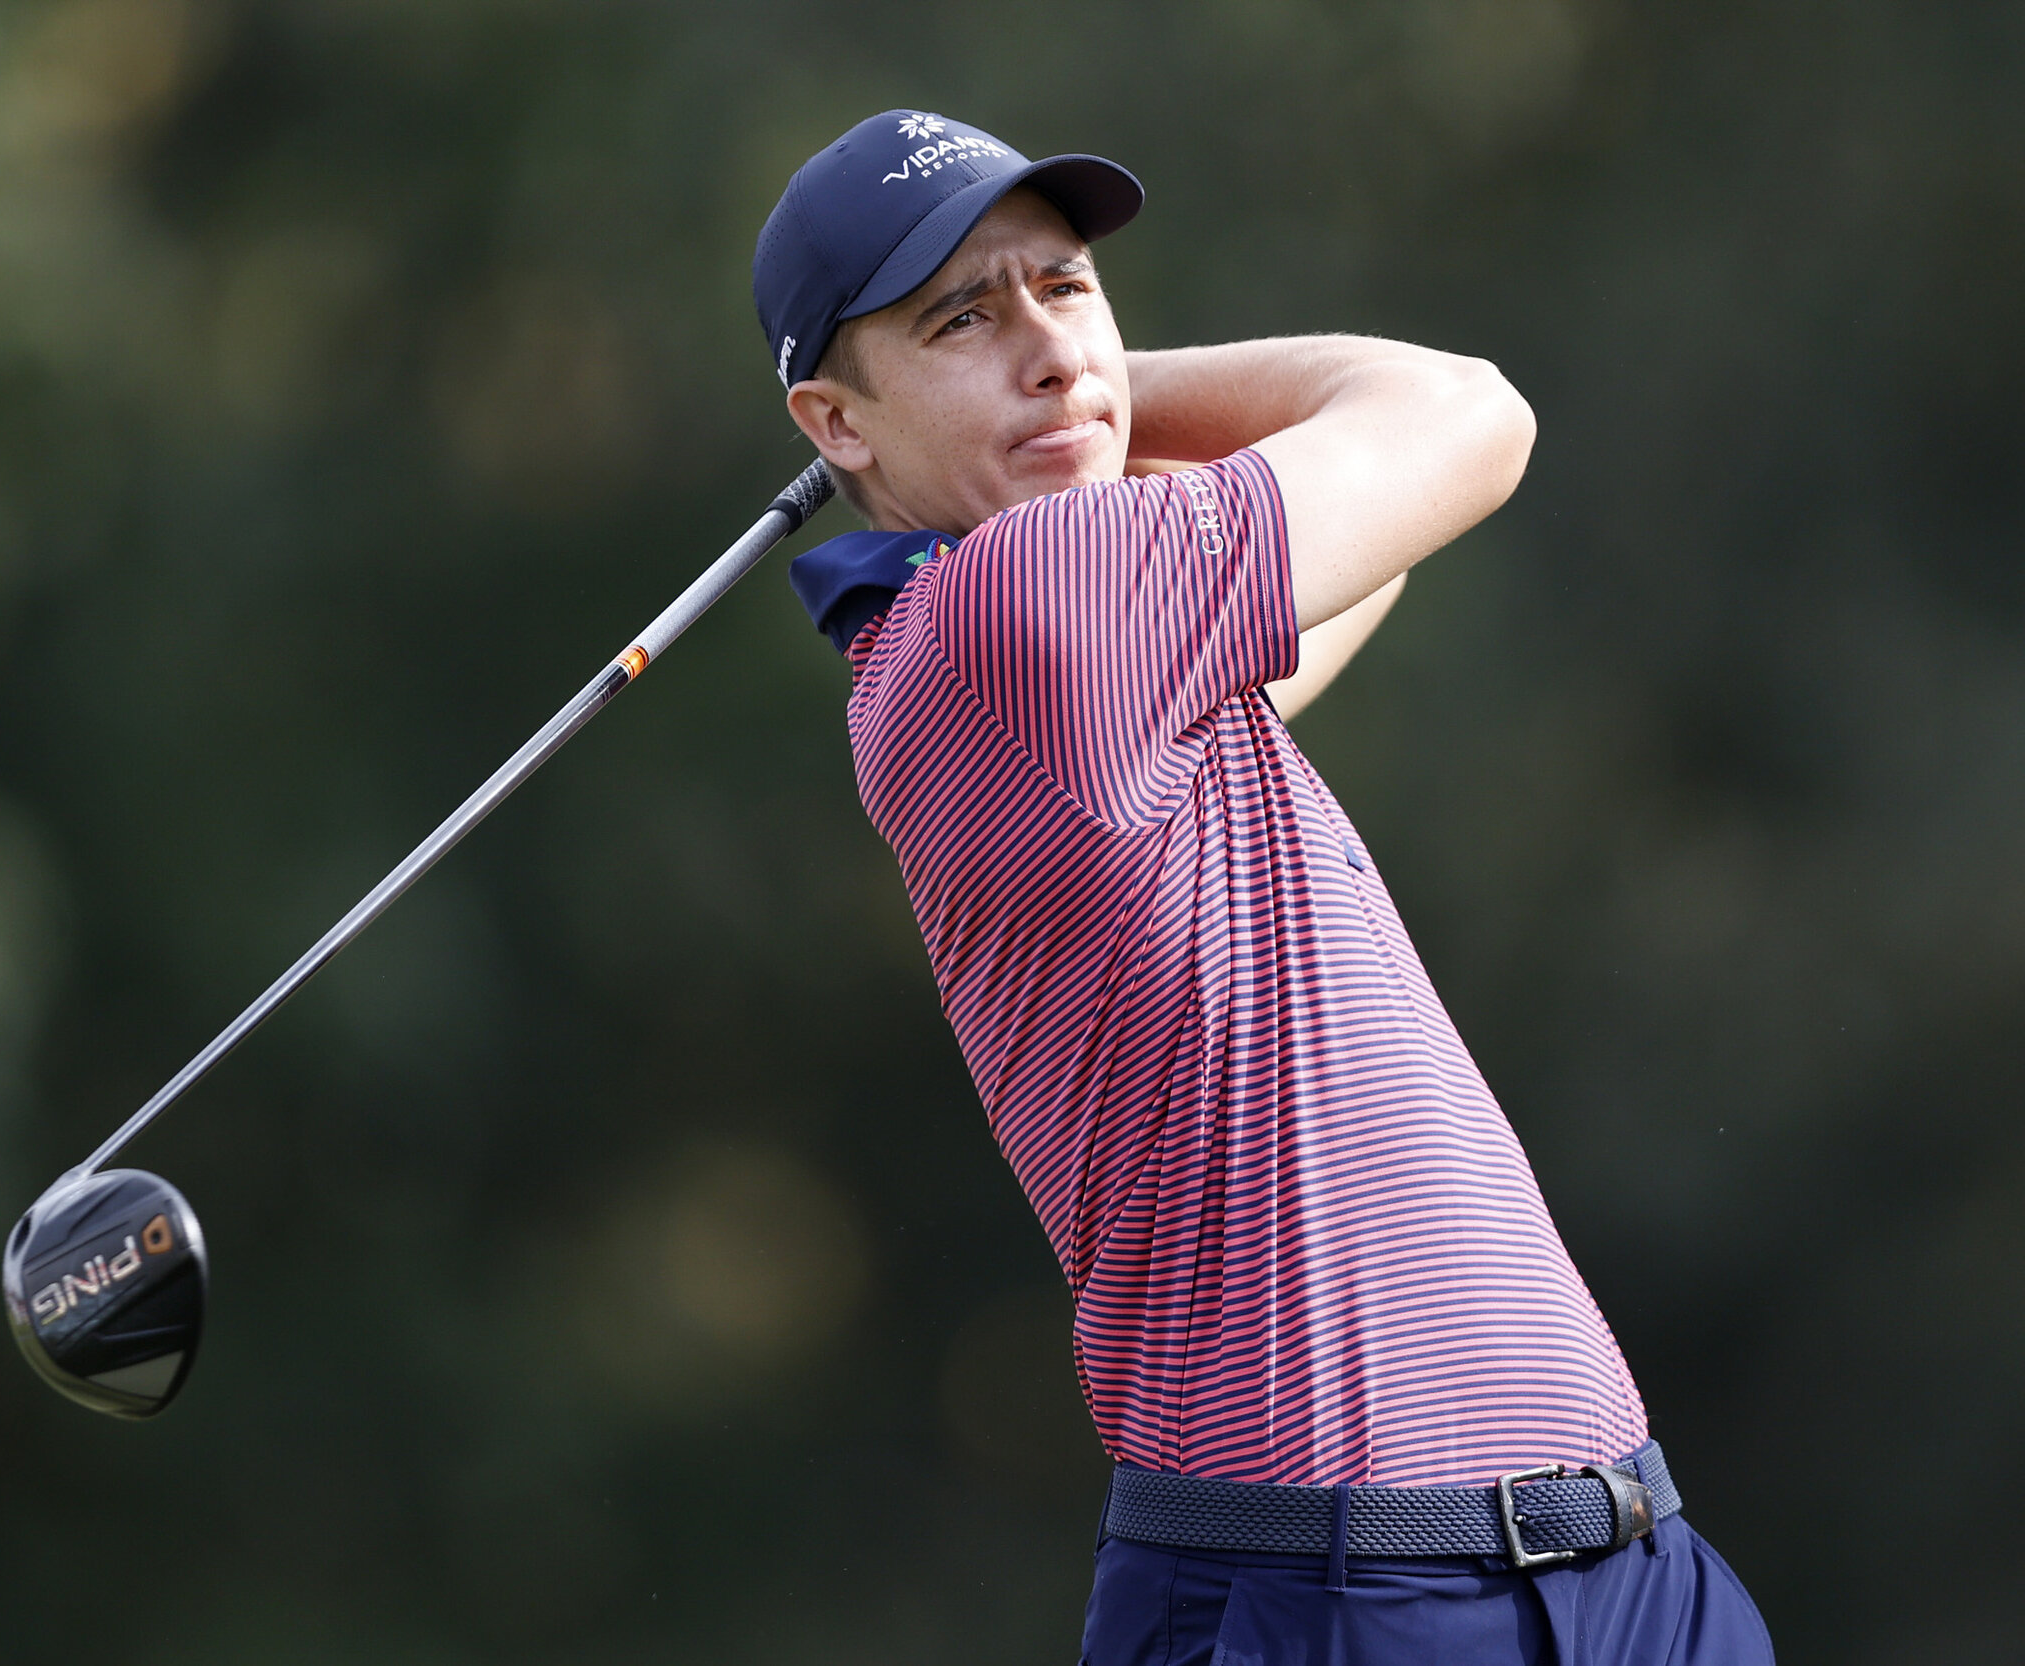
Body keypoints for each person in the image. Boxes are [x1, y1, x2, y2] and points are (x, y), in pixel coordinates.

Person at [755, 110, 1774, 1665]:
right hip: (1350, 1593)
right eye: (961, 315)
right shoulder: (1027, 611)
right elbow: (1463, 414)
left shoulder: (1059, 666)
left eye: (1068, 287)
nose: (1045, 343)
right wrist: (1112, 384)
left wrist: (1043, 388)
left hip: (1617, 1563)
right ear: (835, 421)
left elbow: (1377, 546)